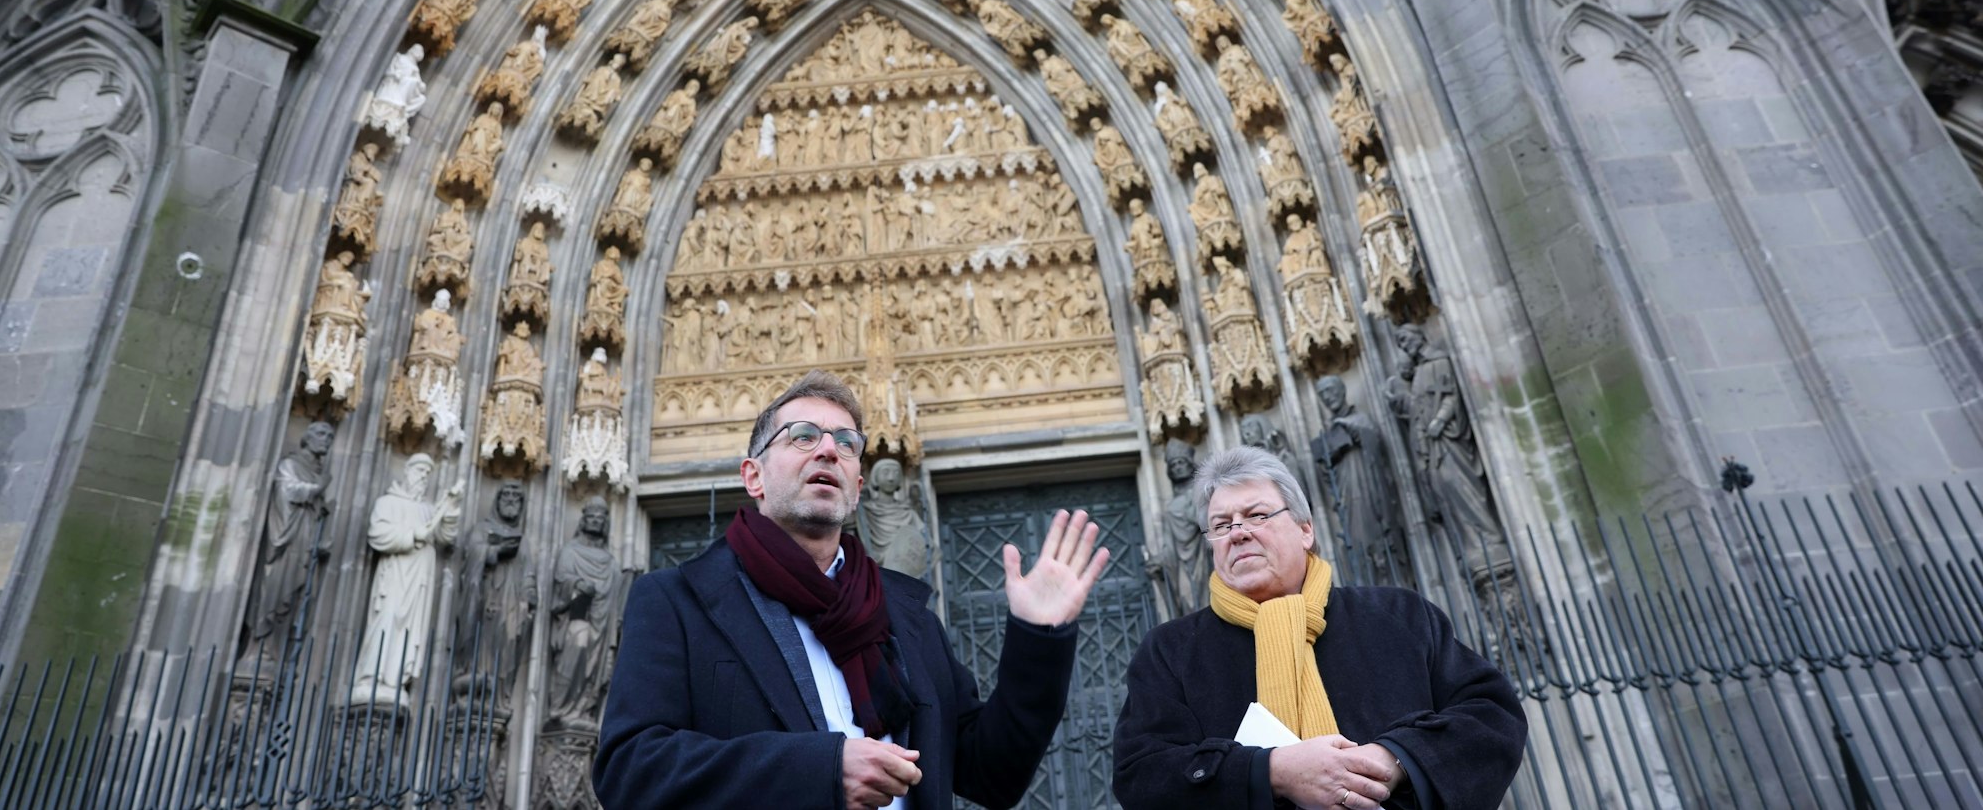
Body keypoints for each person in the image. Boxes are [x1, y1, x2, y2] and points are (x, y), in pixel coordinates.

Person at [596, 370, 1111, 810]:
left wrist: (1039, 638)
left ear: (858, 485)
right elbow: (630, 771)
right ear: (753, 477)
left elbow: (991, 772)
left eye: (846, 443)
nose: (828, 449)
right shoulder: (676, 602)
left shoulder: (906, 617)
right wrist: (821, 771)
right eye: (802, 436)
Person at [1112, 447, 1524, 810]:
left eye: (1256, 515)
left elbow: (1491, 716)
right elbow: (1141, 774)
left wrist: (1393, 759)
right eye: (1221, 525)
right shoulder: (1171, 651)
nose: (1237, 533)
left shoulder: (1399, 615)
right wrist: (1271, 771)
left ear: (1305, 529)